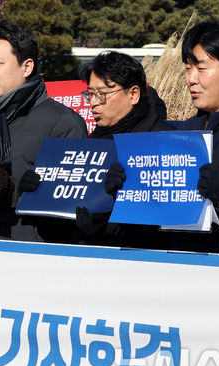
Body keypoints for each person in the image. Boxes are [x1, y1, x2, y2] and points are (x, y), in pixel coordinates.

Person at [107, 20, 219, 256]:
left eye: (201, 69)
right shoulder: (184, 132)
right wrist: (128, 191)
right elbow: (164, 217)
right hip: (183, 266)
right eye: (187, 68)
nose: (191, 79)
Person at [0, 20, 87, 242]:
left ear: (26, 67)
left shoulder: (63, 123)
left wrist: (12, 189)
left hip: (27, 253)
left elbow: (71, 205)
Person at [75, 51, 174, 247]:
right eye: (90, 94)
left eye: (102, 94)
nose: (93, 102)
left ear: (133, 94)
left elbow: (168, 221)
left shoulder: (165, 143)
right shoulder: (91, 142)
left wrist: (107, 221)